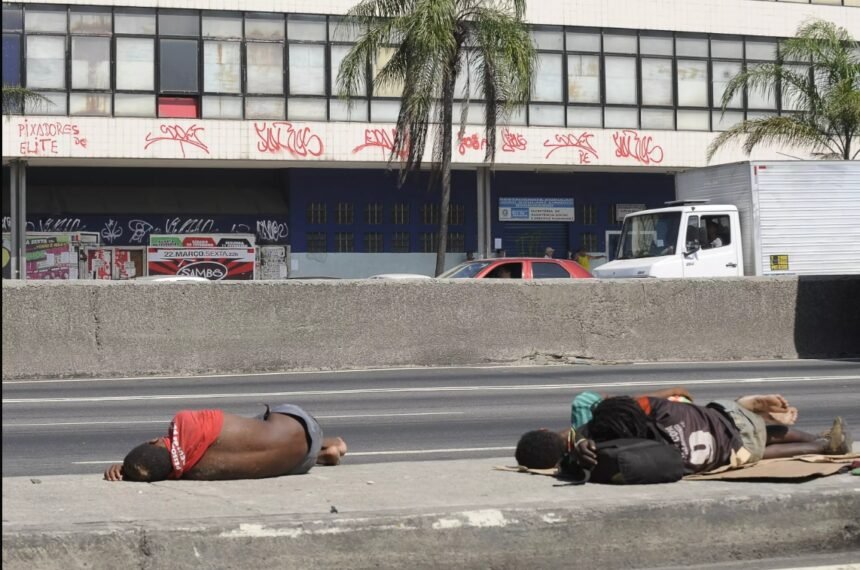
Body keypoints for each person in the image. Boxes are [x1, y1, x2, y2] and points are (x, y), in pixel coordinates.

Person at [104, 404, 347, 482]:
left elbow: (162, 467)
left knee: (244, 451)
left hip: (299, 462)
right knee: (251, 428)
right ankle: (332, 443)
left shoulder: (190, 473)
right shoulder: (185, 422)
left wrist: (128, 471)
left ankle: (324, 454)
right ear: (155, 440)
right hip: (300, 423)